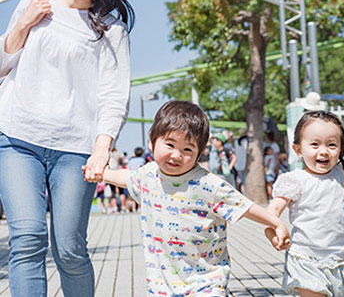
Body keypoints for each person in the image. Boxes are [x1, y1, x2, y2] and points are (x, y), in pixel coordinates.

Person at [0, 0, 134, 297]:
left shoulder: (111, 30)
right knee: (27, 238)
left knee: (71, 250)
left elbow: (114, 94)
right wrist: (25, 23)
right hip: (16, 138)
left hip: (75, 148)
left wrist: (102, 149)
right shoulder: (34, 2)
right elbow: (2, 65)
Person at [84, 100, 290, 296]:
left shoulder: (208, 184)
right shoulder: (148, 175)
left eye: (187, 149)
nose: (176, 155)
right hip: (162, 284)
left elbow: (244, 207)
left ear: (200, 152)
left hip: (207, 281)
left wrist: (275, 222)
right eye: (170, 144)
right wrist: (102, 174)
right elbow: (126, 177)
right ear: (151, 140)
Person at [265, 111, 344, 297]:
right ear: (298, 149)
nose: (323, 151)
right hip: (307, 259)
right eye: (315, 144)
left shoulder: (339, 174)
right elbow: (273, 209)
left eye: (332, 145)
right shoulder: (294, 180)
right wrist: (273, 230)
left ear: (341, 150)